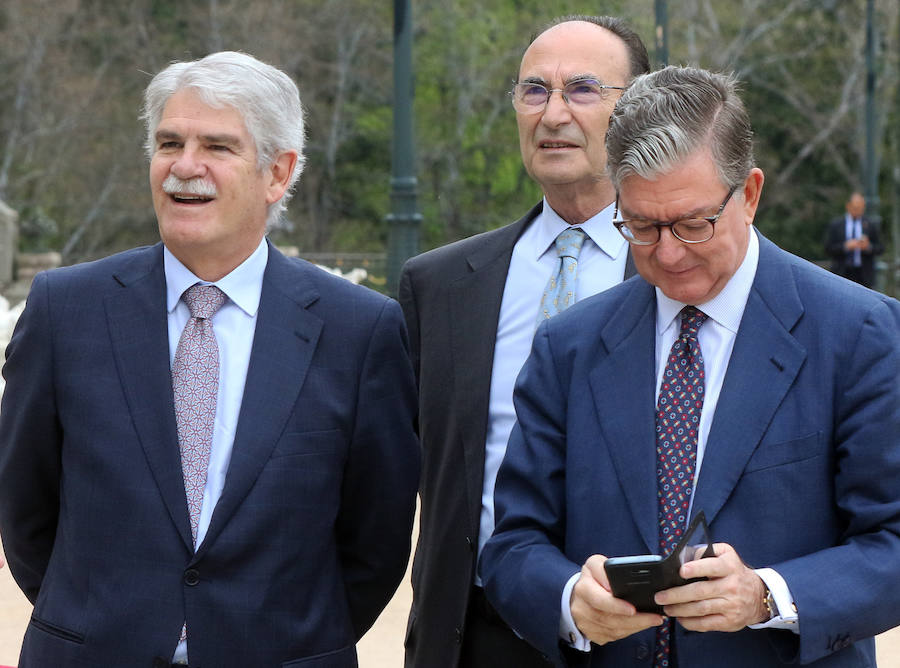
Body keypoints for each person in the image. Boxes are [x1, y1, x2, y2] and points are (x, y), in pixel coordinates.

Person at [0, 51, 419, 667]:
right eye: (169, 142)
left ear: (277, 174)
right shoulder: (67, 310)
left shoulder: (358, 329)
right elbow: (24, 506)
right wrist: (106, 623)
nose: (183, 167)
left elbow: (375, 541)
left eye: (217, 147)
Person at [481, 66, 900, 667]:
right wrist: (570, 598)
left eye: (693, 224)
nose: (669, 253)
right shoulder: (567, 346)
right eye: (643, 227)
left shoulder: (860, 333)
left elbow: (891, 542)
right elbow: (513, 544)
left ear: (750, 194)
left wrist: (767, 596)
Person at [398, 15, 649, 668]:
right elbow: (389, 481)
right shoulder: (440, 286)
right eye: (534, 91)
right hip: (472, 635)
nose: (553, 113)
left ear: (640, 113)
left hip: (636, 634)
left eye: (583, 90)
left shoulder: (681, 278)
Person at [824, 191, 883, 288]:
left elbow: (880, 247)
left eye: (861, 208)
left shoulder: (870, 225)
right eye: (856, 208)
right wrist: (845, 246)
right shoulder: (836, 225)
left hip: (864, 275)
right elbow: (828, 248)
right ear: (848, 206)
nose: (858, 211)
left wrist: (868, 247)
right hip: (842, 272)